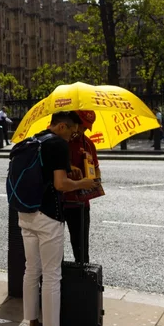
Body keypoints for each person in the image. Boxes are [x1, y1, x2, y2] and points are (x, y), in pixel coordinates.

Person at [18, 111, 99, 326]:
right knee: (52, 275)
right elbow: (60, 185)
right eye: (72, 129)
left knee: (31, 271)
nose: (74, 134)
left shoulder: (33, 141)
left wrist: (67, 168)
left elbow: (44, 173)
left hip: (25, 213)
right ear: (62, 126)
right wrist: (83, 183)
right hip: (48, 216)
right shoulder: (57, 144)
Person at [64, 110, 102, 264]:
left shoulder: (88, 143)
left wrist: (96, 178)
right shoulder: (59, 141)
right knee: (53, 247)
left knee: (81, 246)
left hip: (80, 202)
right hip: (59, 200)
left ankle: (82, 277)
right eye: (81, 127)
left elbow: (97, 167)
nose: (82, 131)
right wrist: (69, 167)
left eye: (86, 128)